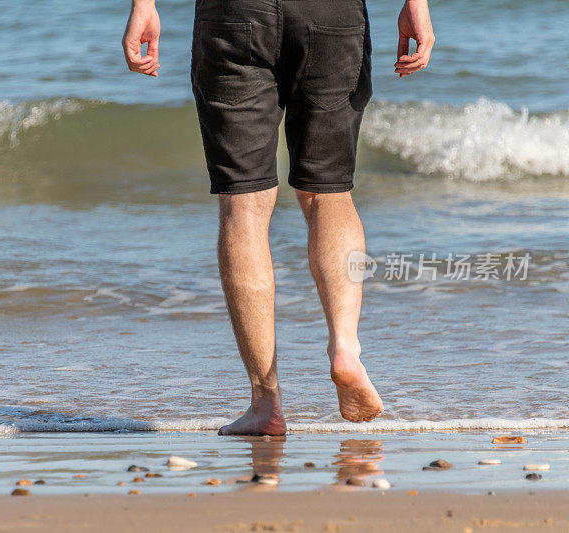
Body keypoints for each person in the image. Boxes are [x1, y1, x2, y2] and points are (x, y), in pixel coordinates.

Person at [123, 0, 434, 435]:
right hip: (333, 14)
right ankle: (345, 347)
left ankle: (265, 403)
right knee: (330, 193)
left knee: (244, 203)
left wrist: (144, 5)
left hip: (233, 14)